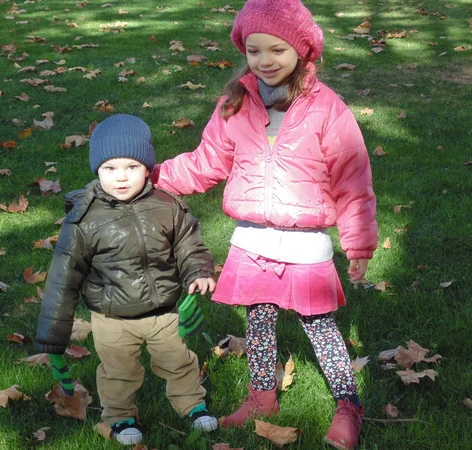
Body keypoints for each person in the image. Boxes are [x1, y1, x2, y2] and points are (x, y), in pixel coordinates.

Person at [151, 0, 378, 448]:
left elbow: (353, 180)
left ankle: (348, 403)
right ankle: (261, 396)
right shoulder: (235, 103)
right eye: (254, 50)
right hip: (253, 241)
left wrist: (359, 244)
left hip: (305, 246)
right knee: (258, 321)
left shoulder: (327, 108)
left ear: (302, 50)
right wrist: (155, 176)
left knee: (320, 326)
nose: (265, 61)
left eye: (277, 49)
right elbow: (206, 162)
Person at [36, 114, 218, 445]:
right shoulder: (83, 219)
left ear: (148, 167)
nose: (121, 177)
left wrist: (198, 270)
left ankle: (192, 405)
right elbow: (63, 278)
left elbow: (189, 242)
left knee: (178, 362)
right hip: (112, 318)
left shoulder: (166, 205)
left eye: (131, 167)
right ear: (97, 170)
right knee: (118, 372)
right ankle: (120, 417)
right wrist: (53, 336)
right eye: (110, 169)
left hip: (163, 312)